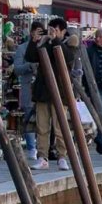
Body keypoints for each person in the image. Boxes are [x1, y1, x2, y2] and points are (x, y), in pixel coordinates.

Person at [26, 16, 71, 171]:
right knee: (42, 127)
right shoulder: (43, 43)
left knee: (60, 128)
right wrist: (35, 40)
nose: (52, 32)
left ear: (63, 31)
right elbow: (30, 57)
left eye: (56, 30)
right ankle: (42, 157)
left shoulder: (68, 43)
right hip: (43, 92)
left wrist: (55, 40)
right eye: (50, 29)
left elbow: (67, 57)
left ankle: (62, 157)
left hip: (60, 93)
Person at [15, 21, 43, 157]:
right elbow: (17, 69)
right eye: (37, 31)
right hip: (28, 87)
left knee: (43, 118)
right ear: (31, 32)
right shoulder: (22, 48)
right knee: (29, 116)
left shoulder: (46, 47)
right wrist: (29, 65)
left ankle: (43, 147)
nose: (39, 35)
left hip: (43, 89)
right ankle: (32, 148)